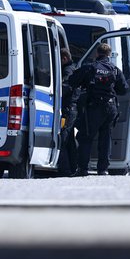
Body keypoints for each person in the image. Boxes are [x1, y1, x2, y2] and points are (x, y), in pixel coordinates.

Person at [68, 43, 128, 176]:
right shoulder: (115, 69)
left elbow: (72, 81)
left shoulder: (90, 67)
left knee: (86, 137)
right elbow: (124, 89)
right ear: (109, 55)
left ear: (97, 53)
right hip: (111, 108)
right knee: (106, 138)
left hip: (94, 107)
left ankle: (83, 168)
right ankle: (103, 169)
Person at [57, 49, 80, 177]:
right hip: (71, 109)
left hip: (67, 109)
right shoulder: (73, 68)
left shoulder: (67, 70)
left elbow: (66, 87)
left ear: (64, 58)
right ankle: (72, 168)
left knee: (63, 139)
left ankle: (64, 170)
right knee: (70, 140)